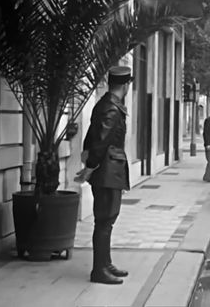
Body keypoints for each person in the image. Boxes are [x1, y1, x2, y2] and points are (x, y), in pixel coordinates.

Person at [79, 66, 132, 285]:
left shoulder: (105, 104)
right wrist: (90, 167)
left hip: (107, 169)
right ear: (126, 85)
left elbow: (91, 136)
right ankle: (99, 270)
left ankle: (105, 263)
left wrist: (88, 160)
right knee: (105, 220)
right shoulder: (111, 108)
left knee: (106, 219)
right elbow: (100, 140)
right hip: (108, 170)